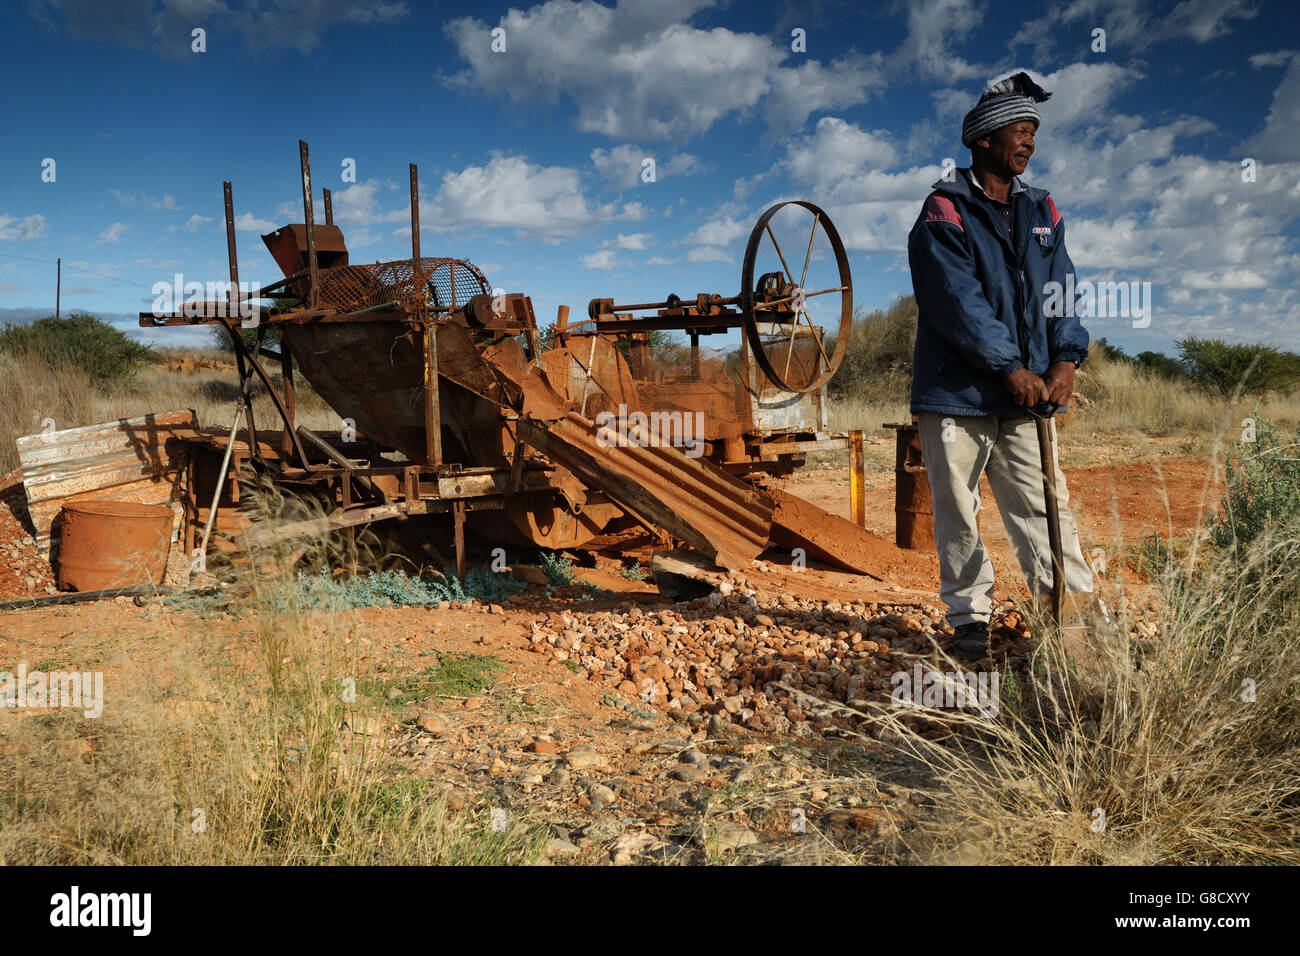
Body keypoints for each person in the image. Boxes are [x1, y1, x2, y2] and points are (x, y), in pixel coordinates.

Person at [907, 72, 1094, 661]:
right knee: (958, 508)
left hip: (1027, 393)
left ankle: (1072, 621)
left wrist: (1066, 356)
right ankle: (969, 623)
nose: (1029, 142)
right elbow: (955, 302)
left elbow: (1060, 286)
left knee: (1044, 504)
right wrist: (1011, 366)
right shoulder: (944, 208)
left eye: (1033, 132)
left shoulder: (1042, 208)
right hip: (958, 393)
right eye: (1019, 130)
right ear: (983, 140)